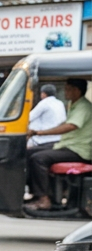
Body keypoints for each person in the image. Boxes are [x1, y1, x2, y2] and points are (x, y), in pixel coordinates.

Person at [26, 78, 92, 211]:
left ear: (77, 90)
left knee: (39, 159)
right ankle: (37, 194)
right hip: (67, 144)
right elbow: (64, 124)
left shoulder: (83, 107)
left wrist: (40, 132)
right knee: (29, 153)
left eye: (68, 89)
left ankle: (44, 199)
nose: (65, 92)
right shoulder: (73, 105)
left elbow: (70, 126)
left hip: (79, 150)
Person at [29, 84, 67, 153]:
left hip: (45, 139)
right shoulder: (60, 103)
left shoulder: (44, 103)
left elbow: (29, 117)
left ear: (43, 94)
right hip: (59, 137)